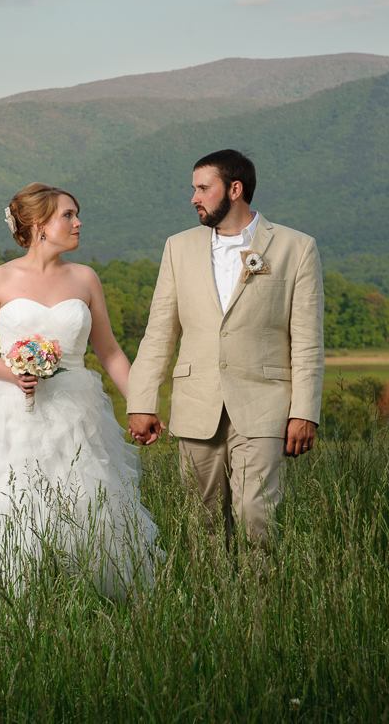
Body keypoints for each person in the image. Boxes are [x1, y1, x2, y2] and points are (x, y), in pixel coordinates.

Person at [0, 182, 161, 602]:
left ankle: (104, 603)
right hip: (13, 413)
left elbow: (111, 353)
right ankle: (15, 608)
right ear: (38, 225)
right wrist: (13, 373)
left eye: (75, 214)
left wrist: (143, 405)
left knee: (92, 504)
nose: (78, 222)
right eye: (68, 214)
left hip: (77, 410)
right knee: (15, 505)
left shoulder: (85, 279)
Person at [127, 149, 324, 548]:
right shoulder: (177, 247)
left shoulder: (295, 247)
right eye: (193, 189)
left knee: (257, 515)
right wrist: (141, 401)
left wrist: (305, 411)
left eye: (203, 188)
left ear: (235, 189)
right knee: (201, 525)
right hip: (196, 402)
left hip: (265, 403)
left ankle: (260, 605)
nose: (194, 198)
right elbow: (160, 331)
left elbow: (307, 341)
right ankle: (212, 606)